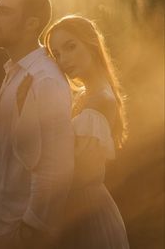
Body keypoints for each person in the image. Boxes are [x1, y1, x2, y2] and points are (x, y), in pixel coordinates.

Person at [0, 0, 75, 249]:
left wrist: (31, 229)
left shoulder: (44, 79)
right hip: (3, 225)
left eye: (4, 11)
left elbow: (56, 167)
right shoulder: (17, 71)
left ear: (31, 24)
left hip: (21, 233)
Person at [44, 15, 130, 249]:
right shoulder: (86, 95)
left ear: (91, 43)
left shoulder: (100, 99)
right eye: (57, 54)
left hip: (86, 216)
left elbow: (80, 173)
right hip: (77, 210)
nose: (63, 59)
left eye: (70, 47)